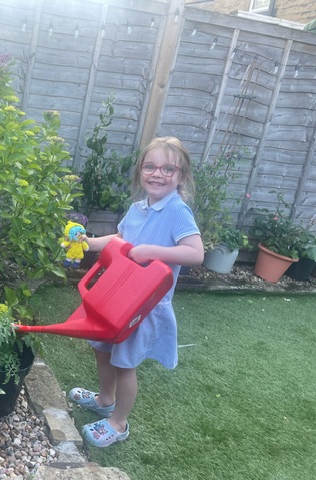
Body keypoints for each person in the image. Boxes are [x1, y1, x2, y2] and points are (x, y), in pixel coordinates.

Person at [68, 136, 204, 448]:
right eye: (150, 166)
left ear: (182, 176)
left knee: (124, 363)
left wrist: (151, 251)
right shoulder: (137, 208)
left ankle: (119, 423)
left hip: (144, 305)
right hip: (117, 297)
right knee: (102, 348)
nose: (158, 174)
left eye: (168, 169)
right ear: (140, 171)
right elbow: (120, 239)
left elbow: (195, 253)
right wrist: (88, 243)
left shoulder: (177, 211)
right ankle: (105, 400)